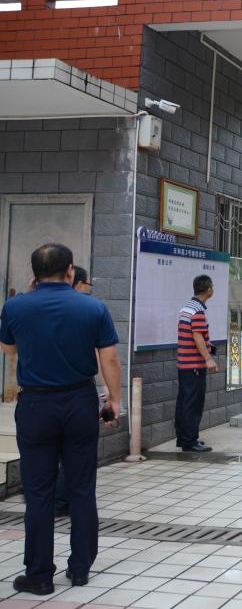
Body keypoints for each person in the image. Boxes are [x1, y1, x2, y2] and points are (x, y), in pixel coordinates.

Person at [0, 244, 120, 595]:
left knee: (38, 491)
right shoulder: (92, 307)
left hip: (36, 405)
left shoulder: (15, 306)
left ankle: (39, 575)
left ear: (34, 272)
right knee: (82, 487)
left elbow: (9, 348)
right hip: (80, 402)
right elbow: (109, 359)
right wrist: (114, 399)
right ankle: (80, 568)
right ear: (70, 270)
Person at [54, 267, 110, 517]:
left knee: (50, 453)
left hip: (39, 396)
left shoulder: (33, 308)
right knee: (75, 454)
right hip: (77, 395)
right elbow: (103, 356)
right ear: (75, 281)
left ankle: (53, 500)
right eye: (88, 283)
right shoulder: (89, 310)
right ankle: (64, 501)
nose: (89, 288)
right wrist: (108, 391)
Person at [175, 275, 217, 453]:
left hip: (184, 363)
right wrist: (208, 358)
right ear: (209, 290)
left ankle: (184, 438)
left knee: (184, 402)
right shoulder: (198, 311)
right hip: (194, 365)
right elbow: (197, 336)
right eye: (212, 287)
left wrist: (209, 347)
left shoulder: (187, 307)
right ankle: (190, 441)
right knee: (193, 403)